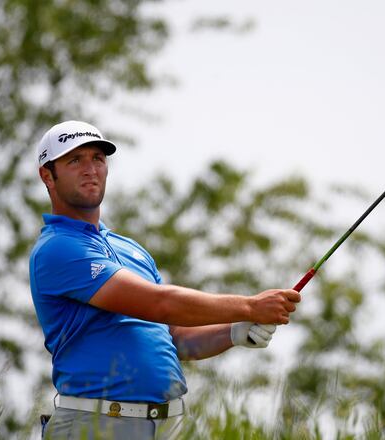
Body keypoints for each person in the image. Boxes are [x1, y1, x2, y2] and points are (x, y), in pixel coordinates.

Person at [29, 120, 301, 439]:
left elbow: (177, 338)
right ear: (48, 175)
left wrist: (235, 331)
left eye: (97, 158)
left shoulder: (131, 250)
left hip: (168, 425)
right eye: (75, 160)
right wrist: (249, 306)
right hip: (98, 423)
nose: (90, 169)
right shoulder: (58, 248)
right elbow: (162, 304)